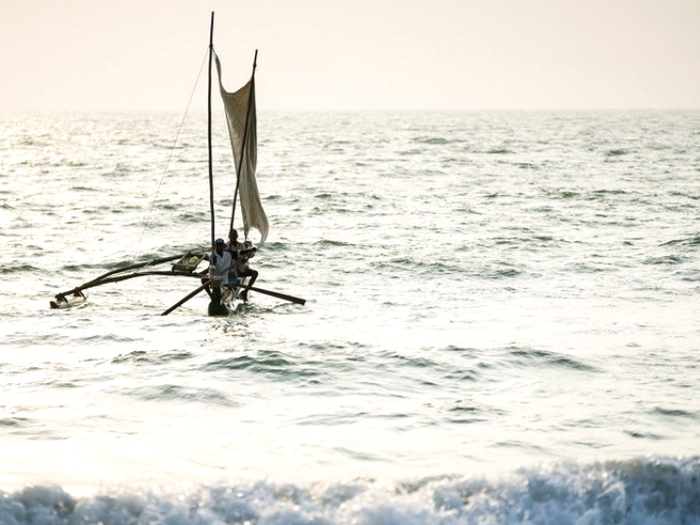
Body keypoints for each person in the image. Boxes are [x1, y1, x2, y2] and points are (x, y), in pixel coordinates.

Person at [227, 228, 258, 302]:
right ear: (229, 237)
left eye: (235, 236)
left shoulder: (241, 245)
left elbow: (246, 254)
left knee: (255, 273)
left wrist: (246, 258)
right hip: (231, 271)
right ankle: (230, 289)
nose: (233, 237)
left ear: (237, 236)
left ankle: (245, 291)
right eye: (232, 236)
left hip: (241, 269)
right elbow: (239, 253)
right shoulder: (227, 246)